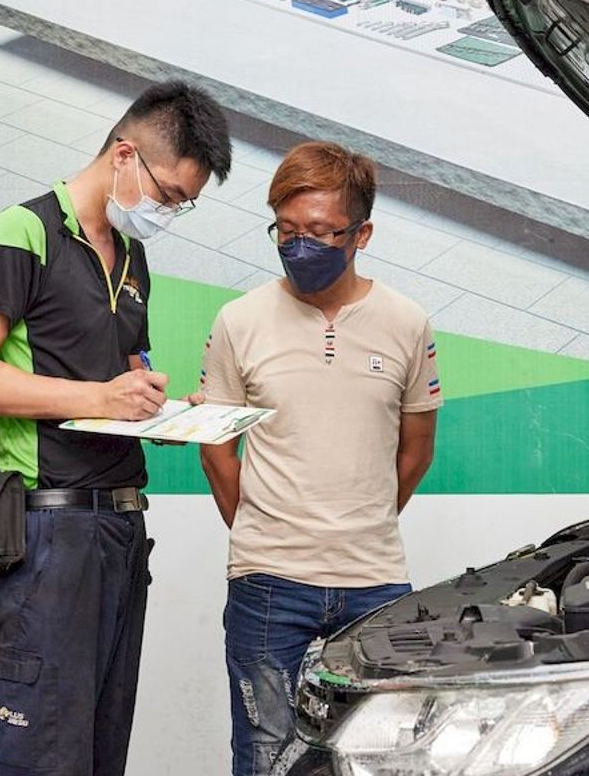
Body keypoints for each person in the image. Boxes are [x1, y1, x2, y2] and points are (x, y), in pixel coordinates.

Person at [0, 80, 232, 776]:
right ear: (125, 155)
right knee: (38, 754)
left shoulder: (132, 257)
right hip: (46, 533)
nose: (169, 214)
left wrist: (167, 413)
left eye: (183, 205)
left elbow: (127, 378)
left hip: (120, 529)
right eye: (169, 196)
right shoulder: (22, 234)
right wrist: (100, 395)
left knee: (99, 750)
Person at [196, 141, 442, 776]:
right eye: (286, 230)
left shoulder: (407, 322)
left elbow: (416, 449)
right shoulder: (239, 320)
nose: (300, 245)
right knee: (266, 754)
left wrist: (363, 519)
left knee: (382, 756)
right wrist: (263, 529)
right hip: (268, 583)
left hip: (376, 582)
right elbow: (217, 447)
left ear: (362, 233)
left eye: (320, 232)